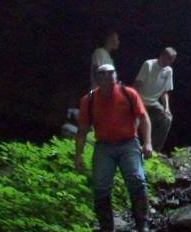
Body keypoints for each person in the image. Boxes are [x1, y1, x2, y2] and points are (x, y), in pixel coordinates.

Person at [75, 64, 152, 232]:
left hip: (128, 143)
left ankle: (142, 225)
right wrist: (78, 155)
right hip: (104, 146)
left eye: (111, 73)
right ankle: (106, 228)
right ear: (97, 78)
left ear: (116, 76)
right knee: (101, 186)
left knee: (137, 180)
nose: (107, 77)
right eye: (102, 74)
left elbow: (144, 118)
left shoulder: (128, 94)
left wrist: (147, 143)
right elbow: (82, 130)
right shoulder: (89, 100)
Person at [134, 47, 176, 152]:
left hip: (153, 103)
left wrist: (167, 108)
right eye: (169, 58)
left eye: (172, 60)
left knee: (167, 119)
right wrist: (136, 103)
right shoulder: (149, 64)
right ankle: (129, 145)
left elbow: (164, 92)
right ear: (162, 55)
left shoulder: (168, 71)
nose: (170, 62)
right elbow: (137, 85)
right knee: (136, 121)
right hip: (141, 101)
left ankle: (154, 148)